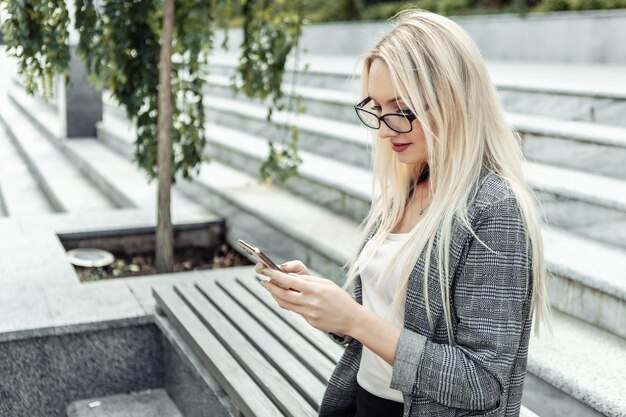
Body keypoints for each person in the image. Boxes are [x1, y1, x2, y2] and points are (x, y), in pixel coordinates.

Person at [255, 9, 549, 417]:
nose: (382, 129)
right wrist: (332, 312)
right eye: (375, 106)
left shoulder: (494, 210)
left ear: (453, 99)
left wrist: (355, 320)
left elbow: (482, 384)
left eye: (401, 108)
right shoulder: (407, 186)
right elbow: (389, 329)